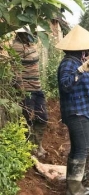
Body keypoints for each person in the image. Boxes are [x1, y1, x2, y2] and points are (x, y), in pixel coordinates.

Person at [56, 25, 89, 195]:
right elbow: (66, 85)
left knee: (79, 148)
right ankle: (75, 189)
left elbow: (84, 89)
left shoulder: (78, 62)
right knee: (82, 148)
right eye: (87, 47)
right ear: (80, 48)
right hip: (76, 113)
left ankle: (75, 184)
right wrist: (80, 70)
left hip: (82, 110)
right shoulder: (70, 63)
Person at [11, 25, 48, 158]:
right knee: (28, 119)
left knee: (42, 117)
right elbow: (15, 70)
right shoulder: (16, 47)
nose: (34, 34)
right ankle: (29, 149)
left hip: (37, 88)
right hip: (27, 90)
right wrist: (21, 90)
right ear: (22, 33)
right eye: (31, 32)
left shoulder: (29, 44)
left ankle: (38, 145)